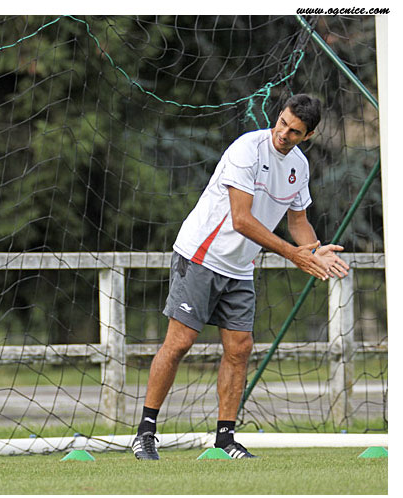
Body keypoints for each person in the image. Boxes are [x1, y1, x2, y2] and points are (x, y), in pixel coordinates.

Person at [132, 94, 350, 460]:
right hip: (201, 255)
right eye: (282, 123)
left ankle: (225, 439)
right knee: (180, 342)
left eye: (294, 131)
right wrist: (294, 255)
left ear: (308, 136)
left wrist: (314, 252)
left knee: (240, 348)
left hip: (240, 267)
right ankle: (145, 432)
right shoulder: (247, 149)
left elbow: (298, 222)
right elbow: (242, 219)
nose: (283, 133)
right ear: (279, 116)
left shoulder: (299, 166)